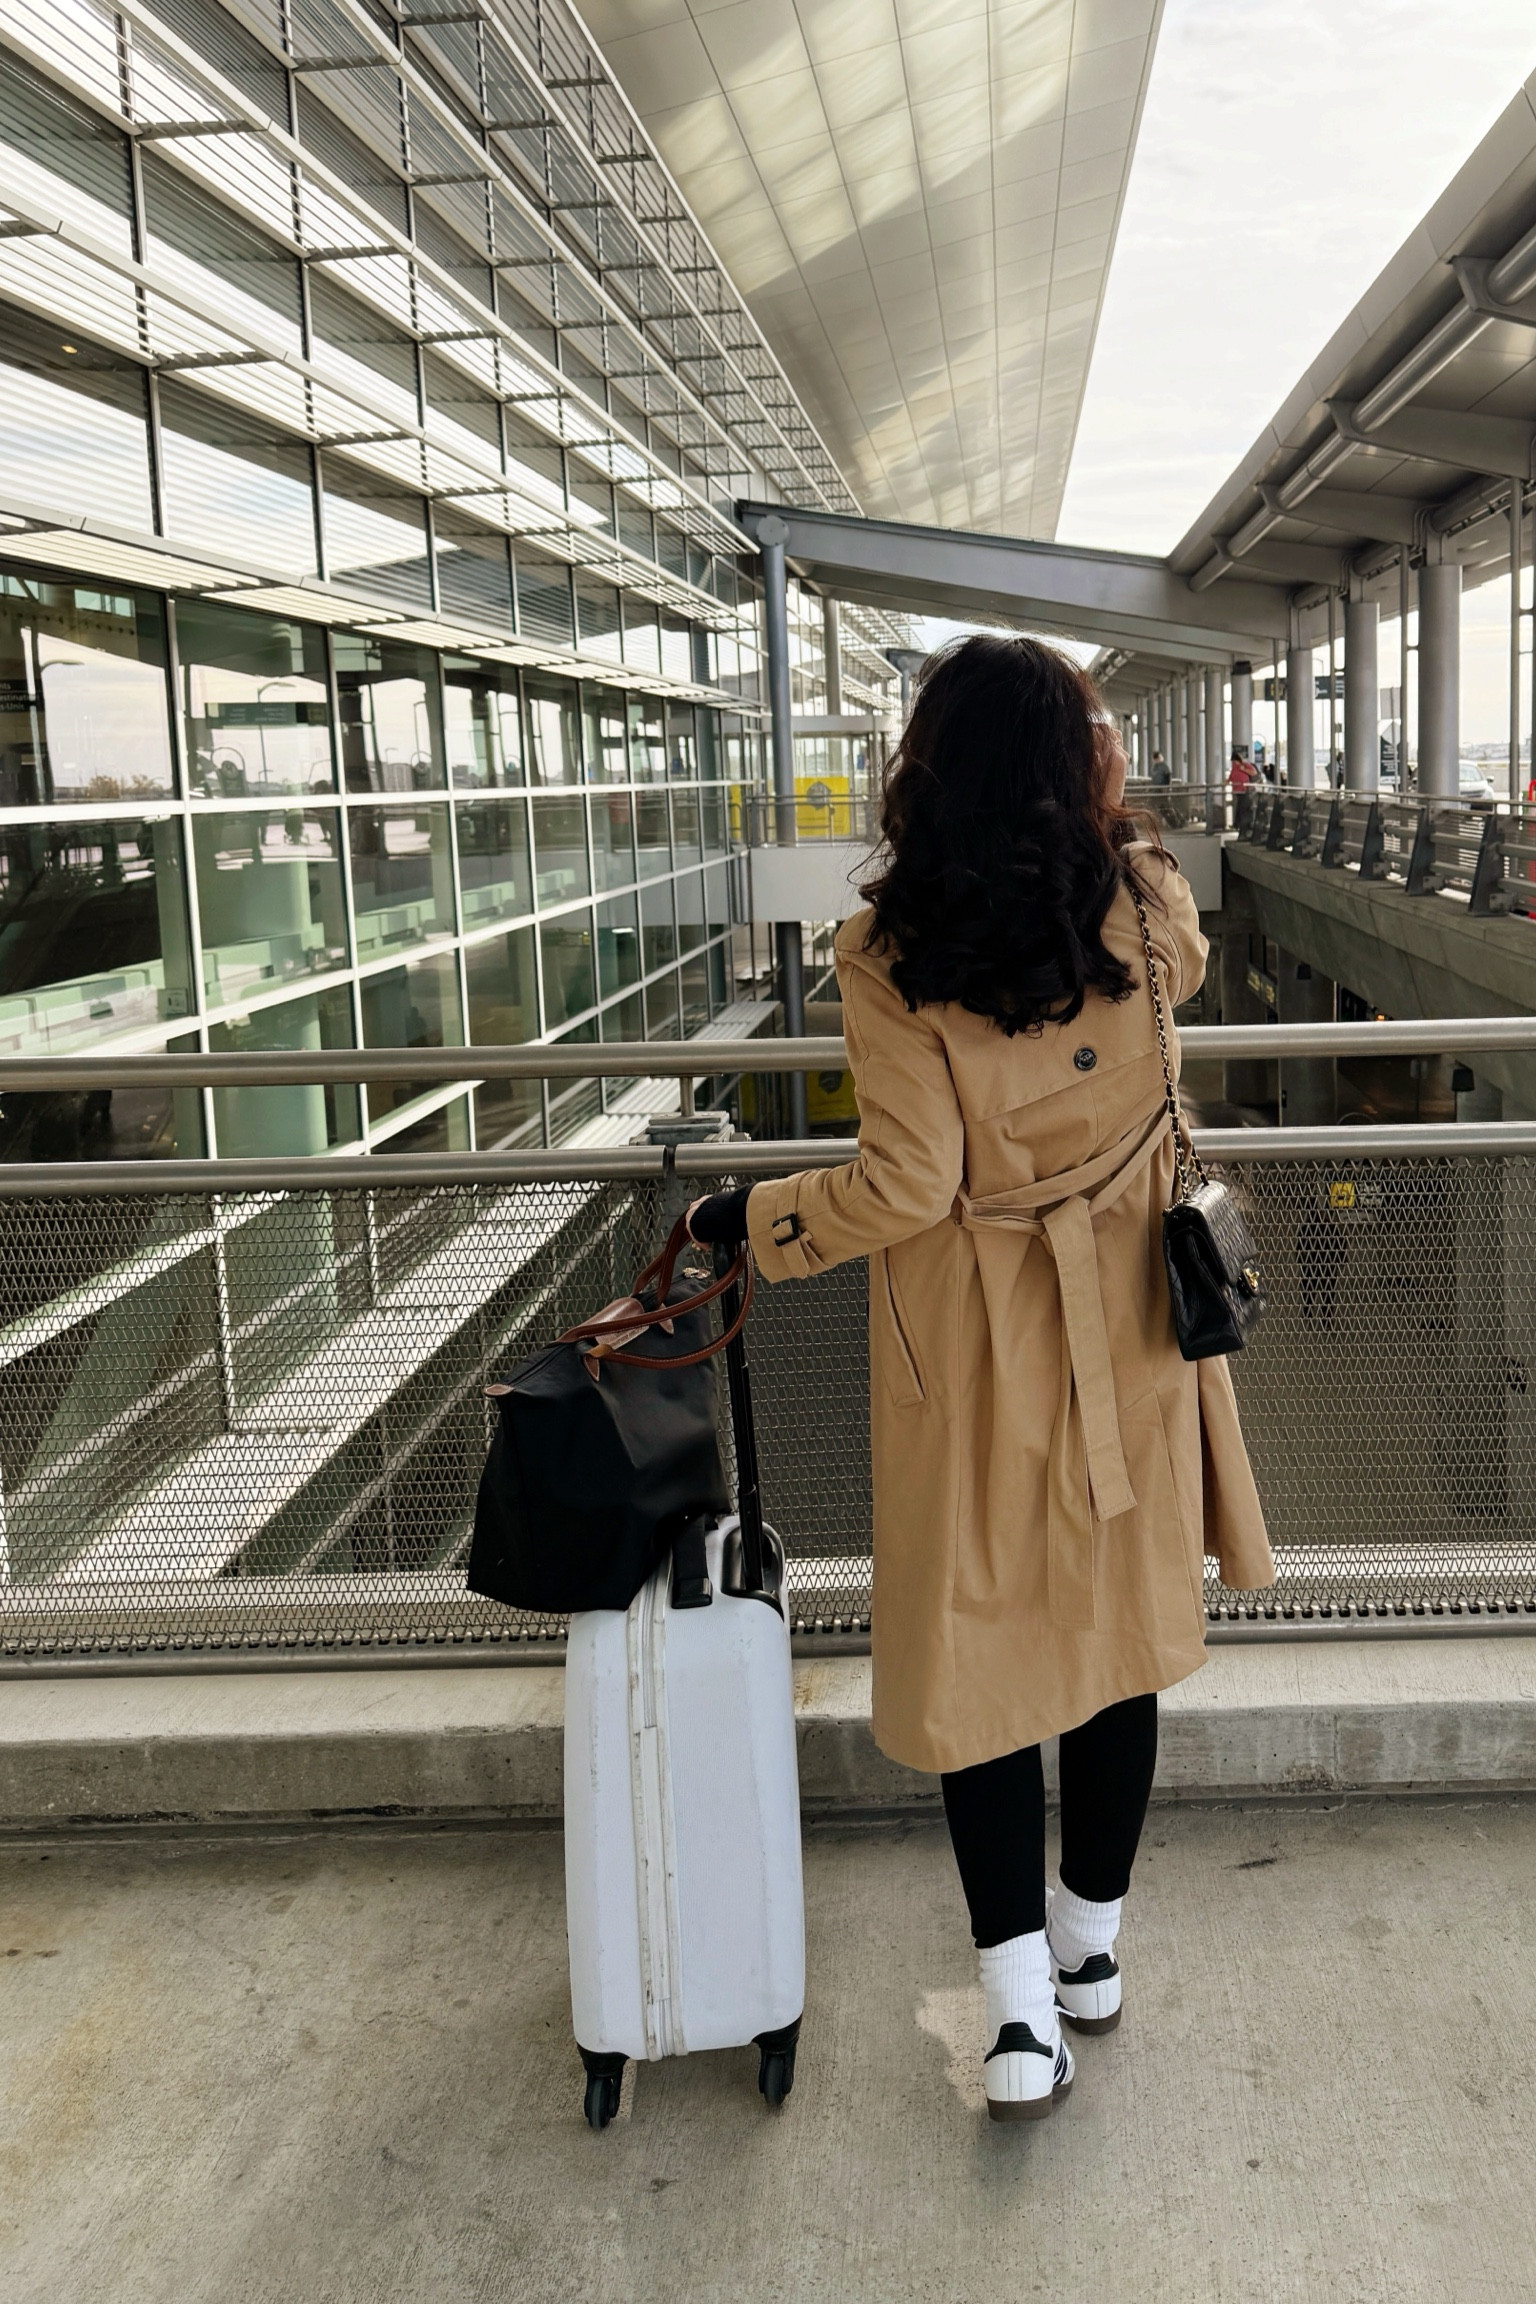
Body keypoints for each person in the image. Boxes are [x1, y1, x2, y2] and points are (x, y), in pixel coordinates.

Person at [687, 635, 1273, 2123]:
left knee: (986, 1659)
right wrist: (1119, 823)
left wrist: (752, 1219)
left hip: (974, 1345)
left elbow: (908, 1183)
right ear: (1083, 759)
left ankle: (1018, 2016)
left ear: (927, 764)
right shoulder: (1143, 901)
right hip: (1132, 1320)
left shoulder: (888, 951)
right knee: (1119, 1641)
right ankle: (1092, 1956)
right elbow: (1184, 975)